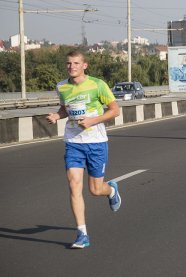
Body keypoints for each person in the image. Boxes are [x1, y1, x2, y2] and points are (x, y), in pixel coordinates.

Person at [46, 50, 121, 249]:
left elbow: (115, 110)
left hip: (96, 142)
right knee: (74, 184)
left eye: (76, 63)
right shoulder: (62, 86)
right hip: (73, 142)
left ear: (84, 65)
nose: (72, 67)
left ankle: (111, 189)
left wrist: (92, 121)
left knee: (95, 190)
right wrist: (57, 115)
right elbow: (65, 108)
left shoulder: (97, 85)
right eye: (69, 63)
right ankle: (82, 234)